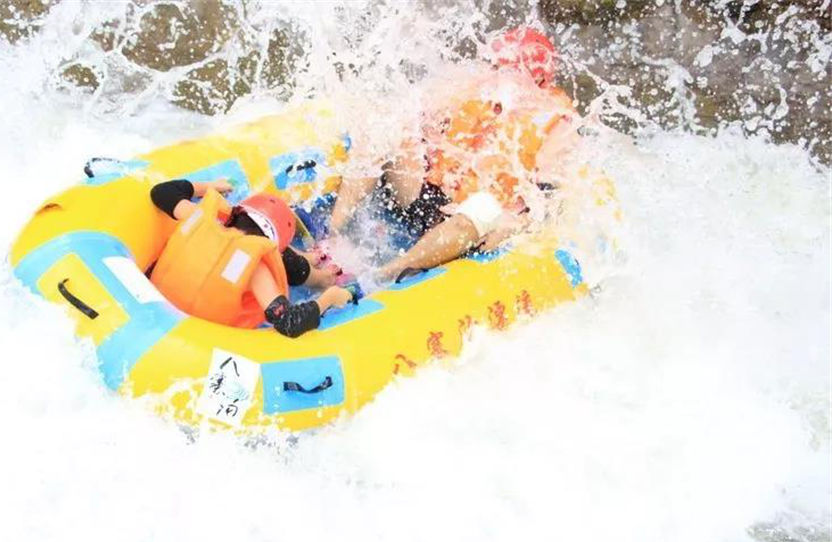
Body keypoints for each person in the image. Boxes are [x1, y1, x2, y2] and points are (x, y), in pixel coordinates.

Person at [328, 27, 581, 281]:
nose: (497, 77)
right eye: (497, 67)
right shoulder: (472, 85)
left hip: (470, 224)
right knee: (385, 129)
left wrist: (513, 225)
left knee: (484, 207)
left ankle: (383, 275)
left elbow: (549, 200)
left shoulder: (558, 125)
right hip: (428, 197)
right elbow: (416, 119)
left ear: (538, 83)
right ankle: (331, 236)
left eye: (508, 72)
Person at [148, 178, 354, 338]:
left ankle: (310, 260)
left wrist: (211, 186)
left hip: (153, 311)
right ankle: (323, 276)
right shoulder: (256, 268)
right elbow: (289, 322)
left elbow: (161, 191)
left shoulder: (198, 217)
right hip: (198, 338)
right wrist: (329, 298)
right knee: (286, 262)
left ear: (234, 215)